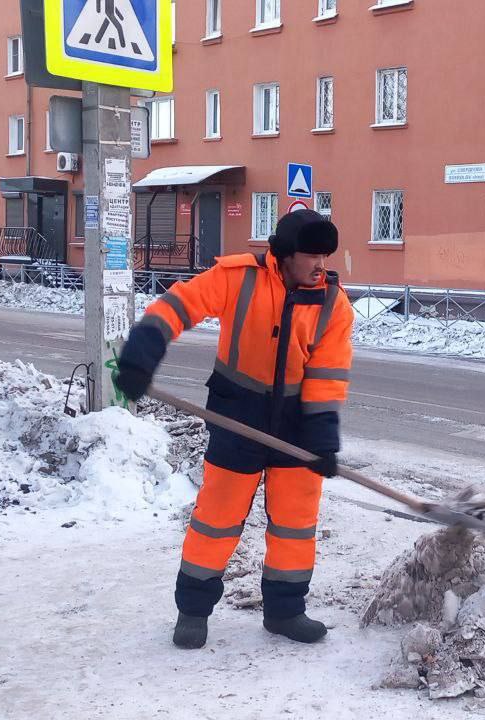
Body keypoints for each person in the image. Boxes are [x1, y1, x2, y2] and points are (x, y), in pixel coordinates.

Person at [114, 209, 354, 648]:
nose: (320, 265)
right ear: (284, 254)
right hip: (237, 413)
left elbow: (327, 372)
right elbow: (179, 304)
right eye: (311, 256)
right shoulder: (238, 278)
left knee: (295, 525)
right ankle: (193, 611)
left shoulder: (332, 302)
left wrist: (322, 434)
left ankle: (286, 610)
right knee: (217, 518)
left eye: (325, 256)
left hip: (298, 423)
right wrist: (143, 350)